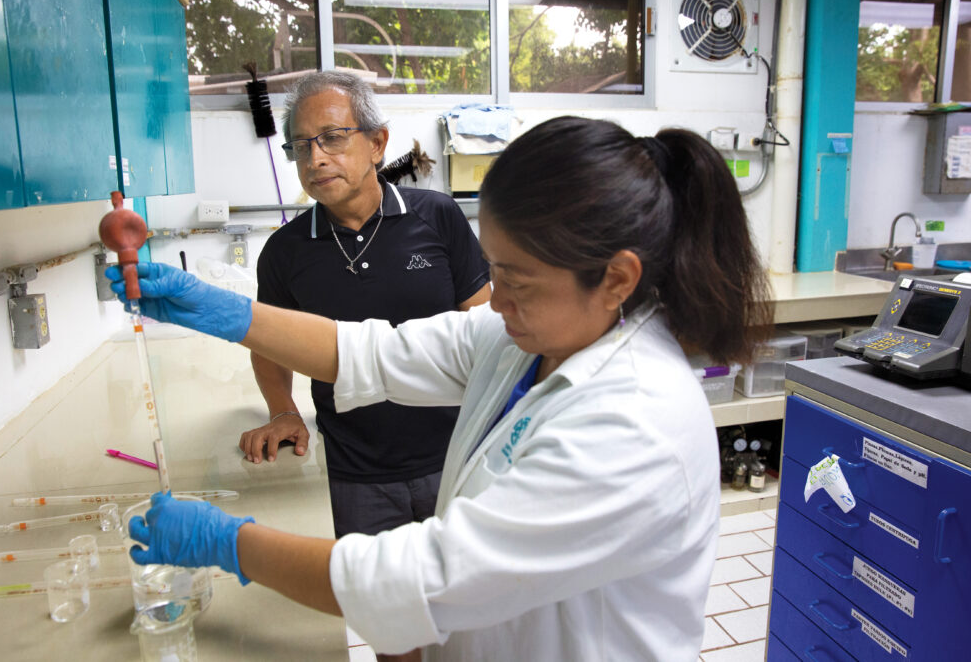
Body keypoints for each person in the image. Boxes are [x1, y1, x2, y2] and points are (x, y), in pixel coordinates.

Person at [109, 116, 773, 661]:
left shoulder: (636, 420)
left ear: (618, 278)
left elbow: (425, 575)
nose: (498, 298)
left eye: (519, 278)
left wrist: (229, 542)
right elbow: (374, 349)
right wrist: (217, 309)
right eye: (495, 268)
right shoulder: (531, 339)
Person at [242, 71, 491, 546]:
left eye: (333, 138)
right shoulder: (284, 251)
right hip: (355, 472)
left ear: (377, 143)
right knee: (373, 609)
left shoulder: (437, 217)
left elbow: (484, 326)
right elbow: (269, 345)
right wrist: (282, 412)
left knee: (464, 600)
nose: (315, 158)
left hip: (454, 457)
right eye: (300, 146)